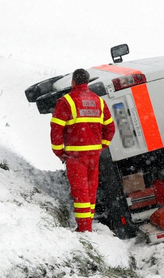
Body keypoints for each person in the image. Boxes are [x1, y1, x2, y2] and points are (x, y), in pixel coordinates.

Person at [50, 68, 115, 232]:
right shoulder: (98, 101)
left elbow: (56, 130)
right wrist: (102, 145)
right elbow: (110, 128)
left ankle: (84, 229)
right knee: (90, 191)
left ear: (73, 82)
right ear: (87, 82)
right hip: (94, 155)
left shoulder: (66, 102)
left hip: (76, 155)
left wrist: (59, 152)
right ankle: (87, 225)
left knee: (81, 192)